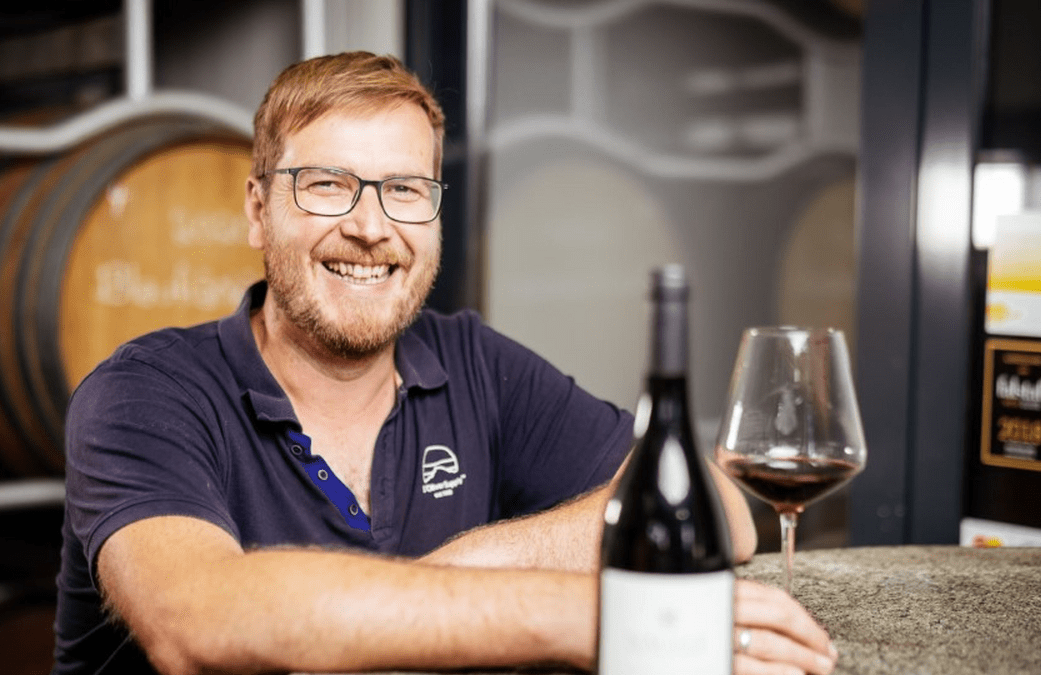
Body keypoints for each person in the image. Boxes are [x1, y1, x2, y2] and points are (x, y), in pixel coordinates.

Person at [54, 51, 838, 675]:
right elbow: (198, 619)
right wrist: (588, 617)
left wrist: (475, 559)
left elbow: (722, 511)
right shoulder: (144, 392)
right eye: (328, 184)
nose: (371, 227)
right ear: (259, 211)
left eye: (404, 189)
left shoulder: (471, 361)